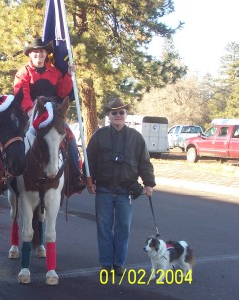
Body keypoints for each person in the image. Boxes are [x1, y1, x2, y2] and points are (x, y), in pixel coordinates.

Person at [85, 97, 156, 276]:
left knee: (123, 228)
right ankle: (106, 263)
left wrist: (149, 183)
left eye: (121, 112)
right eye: (114, 112)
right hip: (104, 190)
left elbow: (144, 162)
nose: (118, 115)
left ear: (126, 115)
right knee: (104, 227)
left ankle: (118, 264)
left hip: (126, 191)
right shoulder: (98, 136)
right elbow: (89, 161)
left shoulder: (136, 138)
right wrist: (89, 180)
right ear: (108, 115)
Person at [14, 37, 85, 195]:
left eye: (41, 51)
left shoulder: (54, 72)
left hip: (52, 113)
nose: (38, 55)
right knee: (13, 139)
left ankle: (75, 175)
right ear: (30, 55)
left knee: (70, 138)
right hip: (31, 113)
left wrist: (68, 76)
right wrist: (30, 111)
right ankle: (9, 175)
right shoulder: (23, 73)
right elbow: (22, 95)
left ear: (46, 54)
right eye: (35, 52)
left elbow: (61, 92)